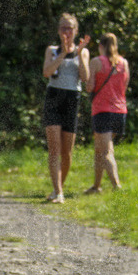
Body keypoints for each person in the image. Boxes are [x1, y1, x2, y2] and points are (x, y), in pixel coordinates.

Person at [41, 13, 90, 203]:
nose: (66, 31)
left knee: (66, 153)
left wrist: (77, 53)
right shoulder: (51, 50)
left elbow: (85, 78)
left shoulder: (82, 51)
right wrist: (63, 52)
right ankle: (58, 191)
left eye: (70, 28)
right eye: (63, 27)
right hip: (54, 97)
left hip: (71, 99)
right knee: (54, 149)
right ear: (58, 30)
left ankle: (57, 188)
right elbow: (47, 72)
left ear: (76, 30)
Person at [84, 33, 130, 193]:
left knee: (105, 151)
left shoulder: (96, 62)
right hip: (120, 111)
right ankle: (96, 186)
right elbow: (125, 85)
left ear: (100, 46)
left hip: (102, 110)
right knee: (99, 150)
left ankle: (116, 186)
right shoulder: (123, 63)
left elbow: (90, 87)